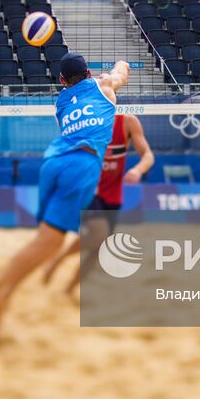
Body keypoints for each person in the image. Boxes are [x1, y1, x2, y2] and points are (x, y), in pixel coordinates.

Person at [0, 53, 130, 330]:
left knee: (45, 241)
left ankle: (1, 293)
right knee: (47, 244)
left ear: (62, 81)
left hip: (53, 163)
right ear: (89, 74)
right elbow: (122, 74)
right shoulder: (104, 87)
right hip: (81, 165)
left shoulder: (61, 102)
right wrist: (119, 63)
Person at [41, 113, 155, 297]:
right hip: (88, 189)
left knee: (99, 248)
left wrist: (138, 169)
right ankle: (57, 260)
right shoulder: (83, 123)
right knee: (99, 234)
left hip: (113, 193)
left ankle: (70, 287)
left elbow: (148, 155)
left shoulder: (127, 122)